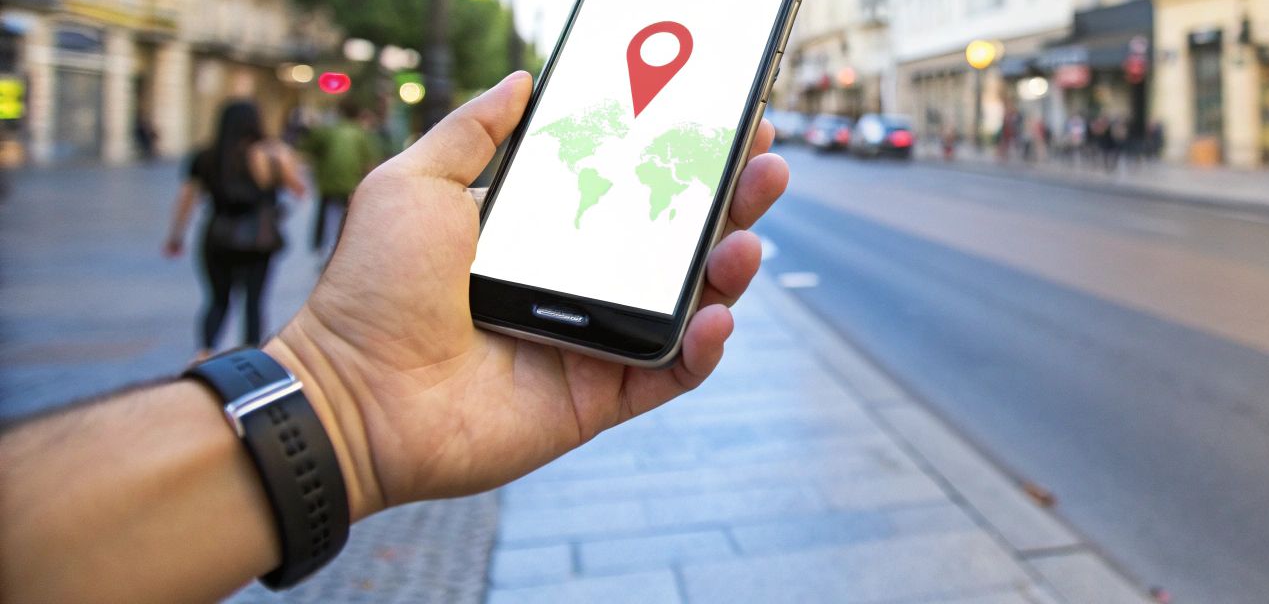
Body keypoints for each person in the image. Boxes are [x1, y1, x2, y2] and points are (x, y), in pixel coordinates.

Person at [0, 73, 788, 604]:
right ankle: (231, 355)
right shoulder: (275, 158)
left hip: (218, 243)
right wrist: (338, 405)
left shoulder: (211, 154)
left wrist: (342, 404)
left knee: (222, 306)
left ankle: (215, 353)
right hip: (262, 251)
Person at [165, 100, 308, 354]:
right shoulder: (270, 154)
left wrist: (176, 236)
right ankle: (250, 356)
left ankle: (205, 352)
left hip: (218, 235)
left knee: (217, 300)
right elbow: (298, 189)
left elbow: (187, 199)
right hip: (259, 238)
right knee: (254, 302)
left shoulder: (205, 156)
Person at [302, 99, 384, 257]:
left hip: (328, 184)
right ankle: (345, 247)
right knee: (349, 217)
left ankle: (318, 246)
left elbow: (308, 148)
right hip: (350, 184)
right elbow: (370, 163)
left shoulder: (328, 131)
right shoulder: (361, 133)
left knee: (323, 213)